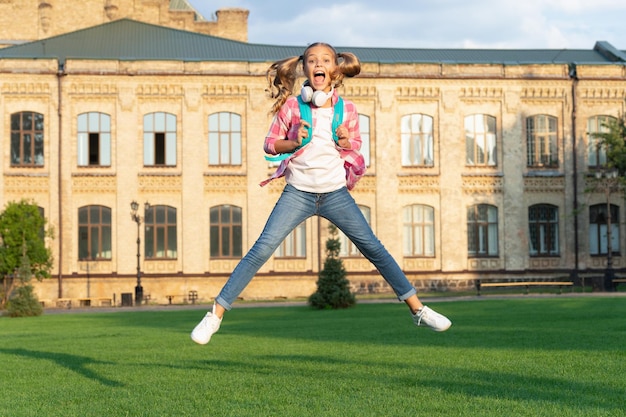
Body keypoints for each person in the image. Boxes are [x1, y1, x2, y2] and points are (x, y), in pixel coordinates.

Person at [191, 42, 451, 345]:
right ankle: (215, 315)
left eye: (325, 60)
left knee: (374, 248)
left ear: (335, 70)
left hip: (335, 193)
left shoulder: (347, 109)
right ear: (305, 68)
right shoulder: (292, 107)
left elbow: (352, 147)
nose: (319, 64)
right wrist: (292, 141)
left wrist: (345, 141)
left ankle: (417, 310)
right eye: (312, 60)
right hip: (298, 193)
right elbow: (269, 144)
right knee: (261, 250)